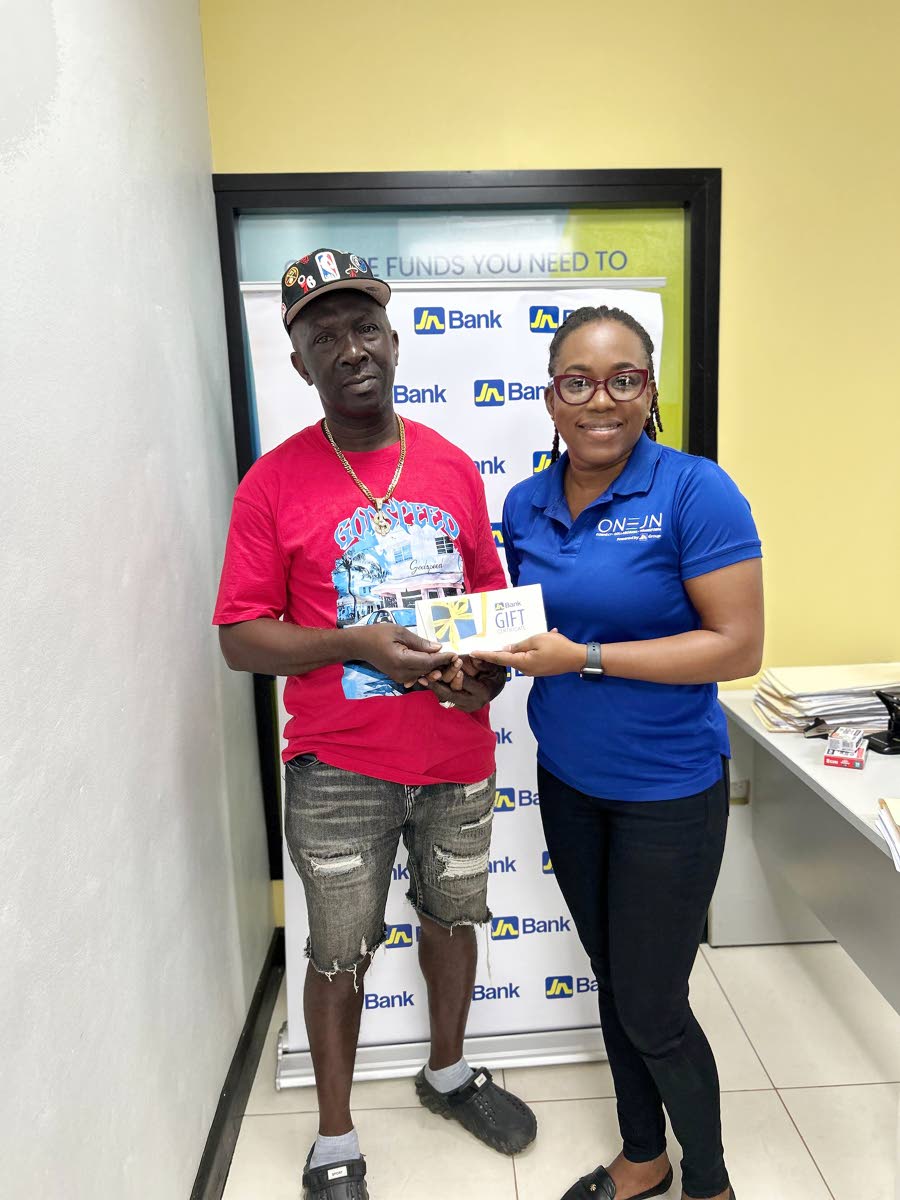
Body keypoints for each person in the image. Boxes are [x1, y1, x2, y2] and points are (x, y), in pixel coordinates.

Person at [212, 248, 536, 1199]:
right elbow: (240, 639)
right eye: (324, 337)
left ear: (394, 342)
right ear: (300, 364)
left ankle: (444, 1074)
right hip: (339, 765)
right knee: (338, 950)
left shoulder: (447, 465)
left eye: (363, 329)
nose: (349, 349)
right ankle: (335, 1136)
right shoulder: (271, 486)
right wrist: (351, 642)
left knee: (453, 919)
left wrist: (487, 680)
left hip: (456, 754)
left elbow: (486, 601)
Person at [476, 306, 763, 1200]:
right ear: (550, 395)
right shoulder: (523, 502)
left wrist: (586, 658)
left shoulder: (693, 491)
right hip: (567, 782)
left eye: (624, 378)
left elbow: (736, 647)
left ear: (650, 391)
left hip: (669, 792)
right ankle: (644, 1154)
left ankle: (708, 1182)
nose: (601, 400)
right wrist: (468, 661)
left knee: (654, 1006)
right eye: (579, 382)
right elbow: (519, 634)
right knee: (612, 979)